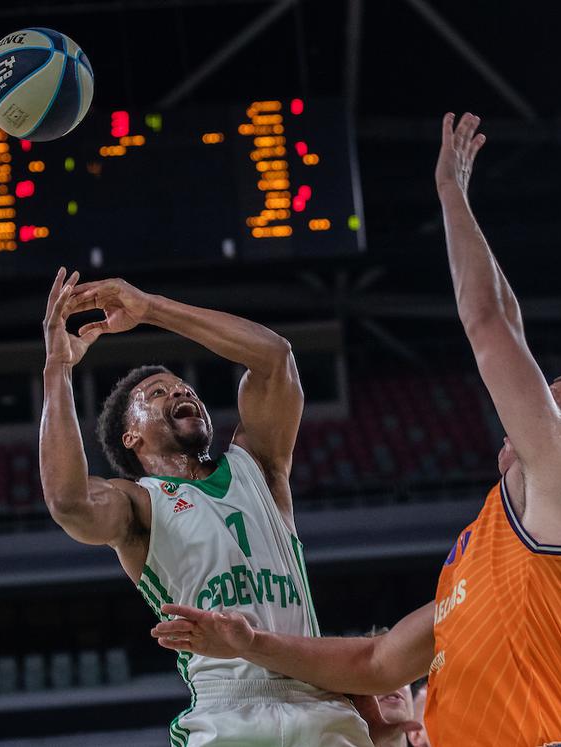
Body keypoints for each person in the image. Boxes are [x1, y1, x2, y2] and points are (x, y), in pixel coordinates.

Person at [149, 112, 561, 747]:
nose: (526, 406)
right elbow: (378, 663)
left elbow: (494, 325)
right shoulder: (489, 553)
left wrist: (450, 195)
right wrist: (250, 644)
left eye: (547, 404)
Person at [39, 270, 372, 747]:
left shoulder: (258, 465)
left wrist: (150, 308)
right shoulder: (137, 504)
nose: (180, 392)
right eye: (157, 393)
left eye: (183, 387)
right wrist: (57, 367)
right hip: (227, 711)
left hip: (315, 692)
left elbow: (275, 359)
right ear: (130, 436)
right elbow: (68, 501)